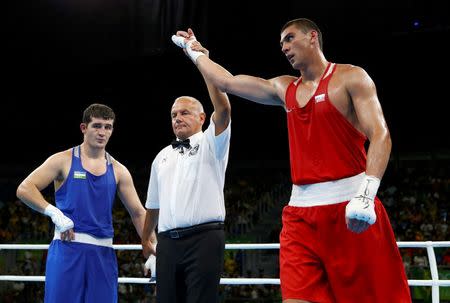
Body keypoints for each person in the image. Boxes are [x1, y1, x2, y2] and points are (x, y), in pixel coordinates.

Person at [173, 19, 411, 303]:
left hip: (350, 207)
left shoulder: (351, 77)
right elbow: (227, 81)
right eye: (281, 43)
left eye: (289, 39)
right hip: (300, 215)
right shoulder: (283, 88)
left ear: (313, 37)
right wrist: (195, 51)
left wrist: (367, 193)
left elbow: (381, 135)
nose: (284, 47)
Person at [16, 103, 149, 303]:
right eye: (97, 125)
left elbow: (139, 213)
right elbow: (25, 188)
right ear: (84, 128)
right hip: (67, 249)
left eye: (108, 127)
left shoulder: (119, 170)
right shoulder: (62, 160)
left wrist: (153, 247)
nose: (102, 132)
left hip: (103, 254)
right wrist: (55, 214)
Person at [140, 41, 231, 303]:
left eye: (185, 113)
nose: (177, 118)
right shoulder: (162, 156)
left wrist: (201, 60)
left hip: (204, 239)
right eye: (173, 114)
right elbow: (153, 204)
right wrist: (147, 237)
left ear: (202, 118)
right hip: (168, 243)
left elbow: (223, 109)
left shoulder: (212, 143)